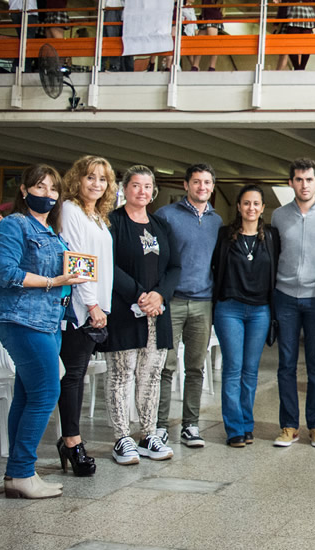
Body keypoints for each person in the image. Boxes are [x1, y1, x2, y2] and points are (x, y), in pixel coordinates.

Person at [0, 164, 86, 499]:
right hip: (21, 321)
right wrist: (52, 281)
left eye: (53, 190)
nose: (48, 195)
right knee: (47, 394)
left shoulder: (51, 231)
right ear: (24, 190)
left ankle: (16, 474)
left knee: (29, 395)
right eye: (40, 188)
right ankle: (21, 472)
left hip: (47, 322)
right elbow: (4, 272)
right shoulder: (14, 225)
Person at [104, 166, 181, 465]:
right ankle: (122, 437)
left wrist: (160, 294)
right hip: (124, 310)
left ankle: (149, 433)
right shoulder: (113, 222)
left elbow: (174, 266)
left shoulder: (161, 226)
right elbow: (108, 265)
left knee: (150, 376)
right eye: (136, 186)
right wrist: (139, 294)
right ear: (125, 189)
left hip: (157, 312)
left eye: (148, 186)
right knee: (122, 375)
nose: (142, 192)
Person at [271, 158, 315, 448]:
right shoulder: (278, 216)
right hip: (285, 297)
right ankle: (289, 426)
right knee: (286, 364)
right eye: (299, 179)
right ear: (291, 183)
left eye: (309, 179)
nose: (304, 184)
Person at [154, 164, 222, 448]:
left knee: (195, 367)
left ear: (212, 186)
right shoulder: (165, 216)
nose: (202, 187)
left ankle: (190, 425)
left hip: (203, 302)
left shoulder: (217, 221)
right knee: (165, 366)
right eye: (197, 182)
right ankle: (158, 426)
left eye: (207, 182)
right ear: (186, 185)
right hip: (172, 302)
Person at [56, 156, 116, 476]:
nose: (96, 184)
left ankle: (70, 439)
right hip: (79, 307)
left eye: (102, 179)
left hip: (95, 304)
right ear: (77, 179)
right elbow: (76, 260)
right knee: (73, 376)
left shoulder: (98, 216)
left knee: (78, 375)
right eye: (90, 177)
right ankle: (72, 442)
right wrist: (91, 304)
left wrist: (100, 305)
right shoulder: (70, 210)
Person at [210, 185, 280, 447]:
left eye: (256, 204)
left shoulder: (271, 237)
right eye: (246, 203)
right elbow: (213, 267)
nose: (251, 208)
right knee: (233, 368)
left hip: (261, 310)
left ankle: (247, 424)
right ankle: (234, 428)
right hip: (230, 309)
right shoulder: (224, 236)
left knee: (251, 371)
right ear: (238, 207)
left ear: (263, 208)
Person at [274, 0, 315, 71]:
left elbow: (283, 5)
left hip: (294, 14)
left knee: (292, 44)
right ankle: (301, 68)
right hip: (307, 15)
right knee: (304, 45)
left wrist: (277, 22)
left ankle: (298, 68)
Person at [189, 0, 223, 71]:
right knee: (200, 42)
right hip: (206, 18)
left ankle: (211, 66)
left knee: (213, 43)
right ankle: (196, 65)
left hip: (212, 18)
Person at [102, 0, 133, 72]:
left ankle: (123, 67)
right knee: (112, 37)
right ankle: (115, 66)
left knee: (126, 40)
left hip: (124, 9)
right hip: (112, 7)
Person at [9, 0, 38, 72]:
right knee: (28, 41)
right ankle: (24, 67)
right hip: (28, 10)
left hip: (16, 9)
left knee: (23, 40)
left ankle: (17, 66)